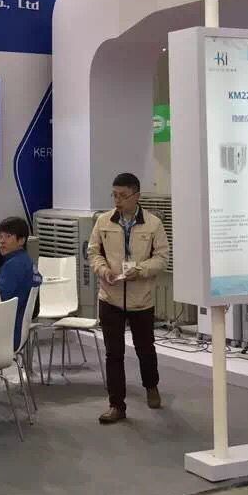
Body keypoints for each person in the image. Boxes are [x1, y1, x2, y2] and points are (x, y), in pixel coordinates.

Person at [89, 172, 170, 424]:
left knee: (145, 348)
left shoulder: (153, 224)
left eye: (123, 196)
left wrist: (141, 270)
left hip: (140, 299)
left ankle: (151, 386)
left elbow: (162, 258)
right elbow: (93, 252)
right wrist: (103, 270)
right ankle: (116, 405)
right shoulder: (103, 221)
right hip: (110, 297)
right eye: (114, 195)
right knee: (113, 354)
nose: (118, 201)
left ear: (137, 196)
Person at [0, 216, 41, 401]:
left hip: (7, 333)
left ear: (21, 240)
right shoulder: (26, 261)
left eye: (8, 236)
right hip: (17, 329)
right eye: (0, 236)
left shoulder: (14, 266)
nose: (2, 241)